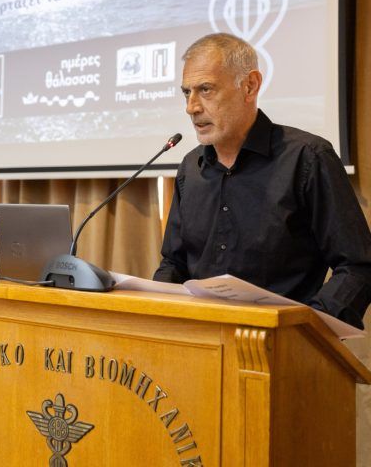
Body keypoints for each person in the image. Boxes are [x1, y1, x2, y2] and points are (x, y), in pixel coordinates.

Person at [153, 33, 371, 328]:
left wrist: (308, 329)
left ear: (250, 86)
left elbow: (357, 265)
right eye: (186, 93)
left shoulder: (308, 158)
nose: (191, 107)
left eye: (205, 90)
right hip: (201, 341)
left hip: (279, 343)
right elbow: (174, 263)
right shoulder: (190, 168)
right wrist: (153, 310)